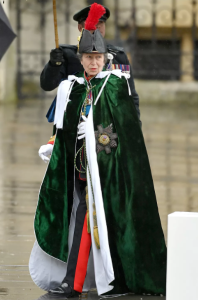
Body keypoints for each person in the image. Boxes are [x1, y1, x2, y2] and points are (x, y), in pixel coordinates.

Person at [29, 3, 166, 298]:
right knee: (82, 214)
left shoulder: (116, 70)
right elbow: (56, 104)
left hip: (108, 156)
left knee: (105, 215)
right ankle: (79, 280)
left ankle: (98, 278)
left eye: (97, 56)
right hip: (78, 156)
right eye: (88, 56)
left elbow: (126, 108)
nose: (93, 61)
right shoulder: (68, 66)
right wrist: (54, 65)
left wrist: (123, 137)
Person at [40, 4, 141, 125]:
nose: (97, 25)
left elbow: (130, 95)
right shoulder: (67, 55)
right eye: (92, 21)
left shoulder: (118, 56)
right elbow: (47, 85)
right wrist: (54, 64)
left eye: (101, 22)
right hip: (76, 124)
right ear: (80, 27)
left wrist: (135, 127)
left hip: (109, 124)